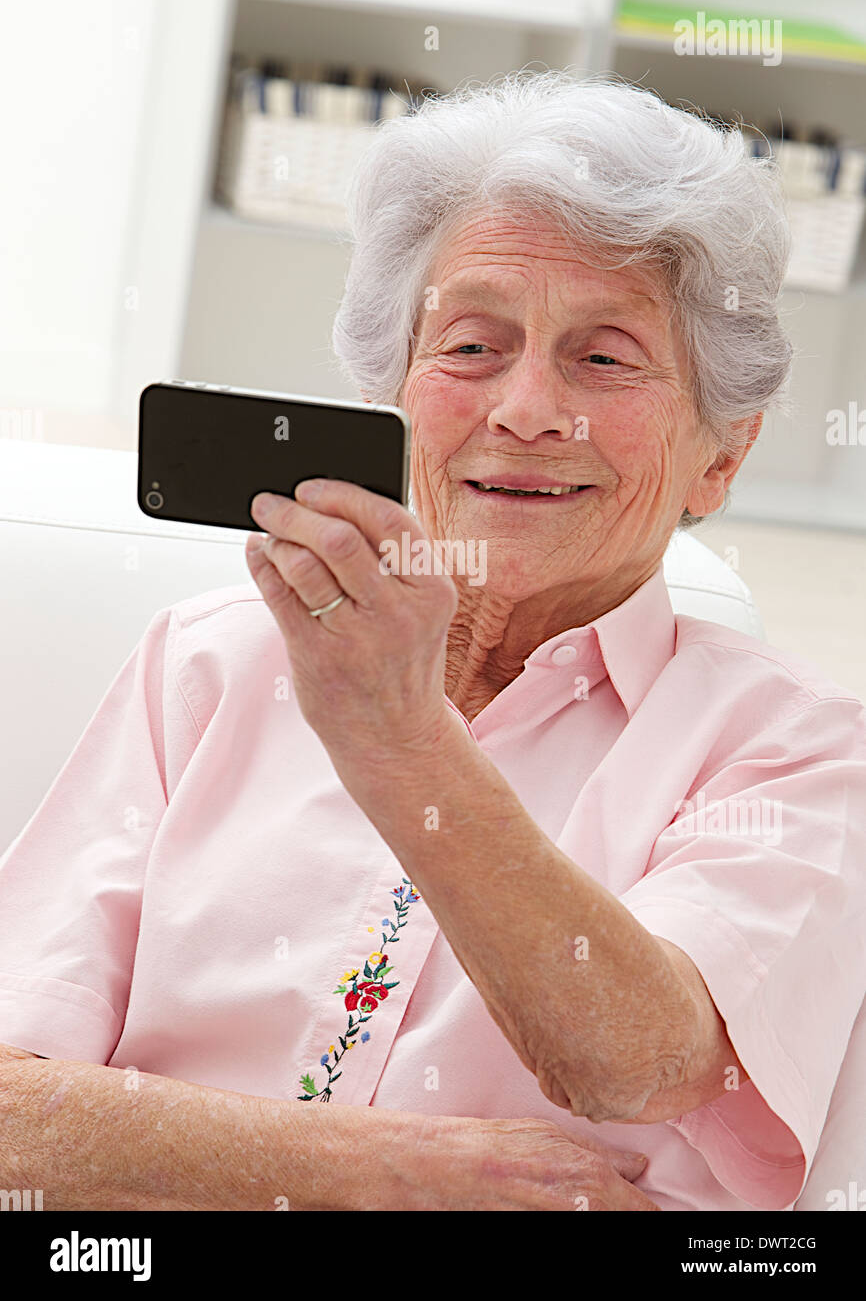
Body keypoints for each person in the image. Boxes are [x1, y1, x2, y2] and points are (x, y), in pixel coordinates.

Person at [1, 71, 864, 1211]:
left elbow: (633, 1058)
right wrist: (380, 1174)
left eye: (602, 358)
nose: (524, 409)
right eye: (470, 346)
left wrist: (396, 737)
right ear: (393, 393)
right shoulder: (207, 662)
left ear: (720, 454)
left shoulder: (798, 752)